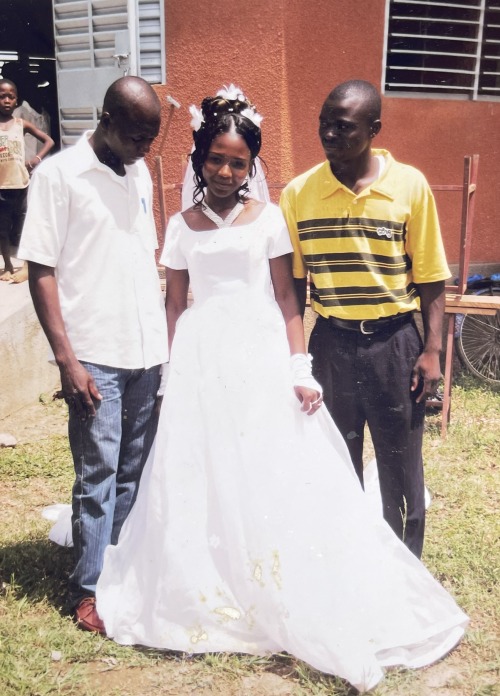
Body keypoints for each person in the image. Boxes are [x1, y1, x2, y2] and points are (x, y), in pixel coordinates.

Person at [96, 87, 467, 694]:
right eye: (215, 158)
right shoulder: (210, 218)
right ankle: (215, 574)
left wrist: (302, 364)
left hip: (296, 346)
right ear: (197, 158)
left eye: (238, 162)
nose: (224, 171)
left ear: (252, 167)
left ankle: (377, 569)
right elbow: (174, 301)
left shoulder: (279, 214)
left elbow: (290, 295)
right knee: (212, 465)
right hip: (209, 355)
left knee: (310, 462)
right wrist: (170, 367)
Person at [17, 76, 168, 633]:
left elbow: (140, 259)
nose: (144, 147)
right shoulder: (60, 176)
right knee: (98, 473)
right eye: (136, 135)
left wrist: (162, 348)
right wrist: (68, 360)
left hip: (146, 349)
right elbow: (41, 270)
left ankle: (121, 573)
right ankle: (89, 589)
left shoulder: (140, 171)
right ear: (105, 119)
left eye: (151, 137)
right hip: (95, 353)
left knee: (134, 470)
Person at [280, 80, 450, 559]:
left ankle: (404, 570)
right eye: (324, 122)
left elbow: (432, 277)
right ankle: (350, 566)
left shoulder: (408, 186)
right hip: (331, 344)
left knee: (401, 466)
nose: (329, 134)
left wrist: (432, 349)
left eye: (344, 126)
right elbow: (293, 283)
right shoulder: (299, 193)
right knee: (337, 461)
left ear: (374, 129)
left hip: (394, 343)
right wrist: (296, 357)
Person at [0, 77, 54, 282]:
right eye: (2, 96)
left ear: (16, 100)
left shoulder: (21, 124)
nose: (6, 101)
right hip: (1, 186)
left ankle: (25, 266)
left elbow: (49, 140)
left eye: (10, 97)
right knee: (3, 230)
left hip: (21, 184)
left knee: (24, 227)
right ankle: (7, 266)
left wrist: (36, 159)